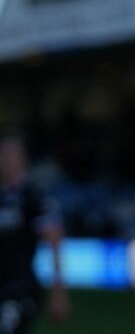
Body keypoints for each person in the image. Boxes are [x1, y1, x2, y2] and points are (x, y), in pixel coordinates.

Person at [0, 133, 69, 334]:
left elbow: (55, 243)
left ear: (25, 159)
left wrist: (58, 294)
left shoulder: (35, 197)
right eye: (3, 153)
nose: (6, 159)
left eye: (12, 154)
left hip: (18, 288)